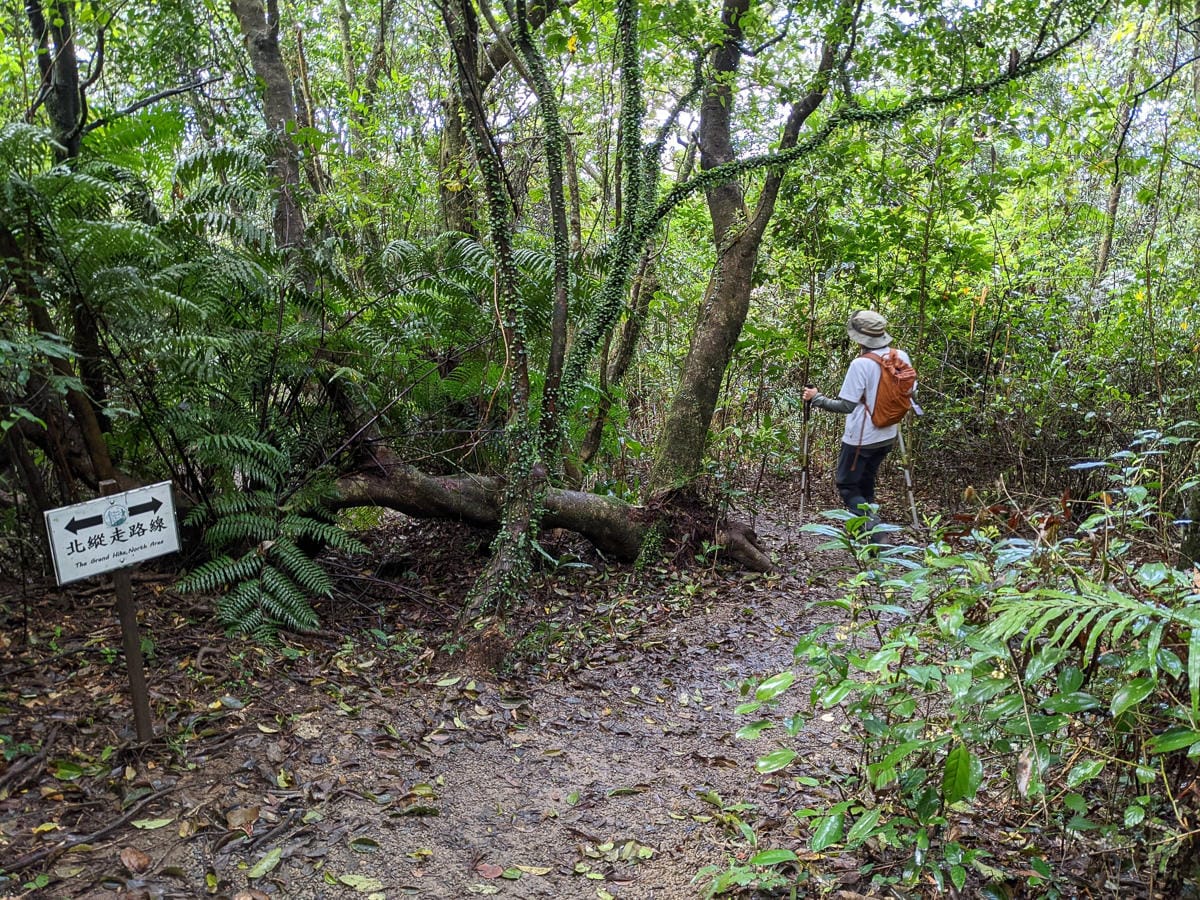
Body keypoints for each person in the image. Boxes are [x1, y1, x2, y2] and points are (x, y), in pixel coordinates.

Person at [802, 309, 912, 526]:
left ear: (859, 338)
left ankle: (874, 529)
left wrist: (816, 398)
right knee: (865, 483)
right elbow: (910, 391)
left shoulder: (860, 364)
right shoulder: (900, 356)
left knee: (847, 484)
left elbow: (846, 405)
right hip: (888, 434)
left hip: (861, 439)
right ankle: (868, 536)